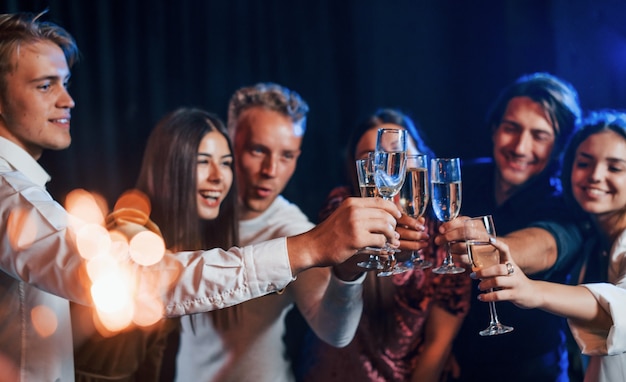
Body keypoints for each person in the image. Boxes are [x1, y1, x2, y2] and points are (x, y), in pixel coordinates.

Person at [0, 12, 402, 381]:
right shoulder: (20, 197)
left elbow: (336, 330)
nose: (68, 99)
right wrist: (307, 248)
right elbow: (136, 286)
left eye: (287, 156)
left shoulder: (286, 224)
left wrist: (341, 268)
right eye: (45, 84)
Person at [174, 83, 372, 382]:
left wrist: (348, 275)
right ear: (229, 142)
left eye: (287, 156)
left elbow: (335, 332)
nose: (271, 170)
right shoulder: (193, 206)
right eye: (258, 150)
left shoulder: (294, 231)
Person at [295, 108, 471, 382]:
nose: (391, 165)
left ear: (420, 157)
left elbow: (438, 345)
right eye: (373, 157)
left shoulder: (443, 233)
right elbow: (340, 268)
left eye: (399, 153)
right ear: (360, 170)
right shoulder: (342, 210)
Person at [436, 72, 586, 381]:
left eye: (540, 136)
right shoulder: (463, 179)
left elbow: (543, 246)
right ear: (494, 130)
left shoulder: (565, 203)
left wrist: (485, 244)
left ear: (559, 148)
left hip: (533, 371)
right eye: (511, 128)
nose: (520, 146)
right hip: (460, 365)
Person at [71, 108, 238, 381]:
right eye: (203, 162)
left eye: (227, 163)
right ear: (169, 168)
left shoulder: (186, 243)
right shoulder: (132, 236)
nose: (219, 176)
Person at [477, 110, 626, 382]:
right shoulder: (594, 238)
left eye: (615, 168)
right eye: (584, 163)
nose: (595, 175)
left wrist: (533, 291)